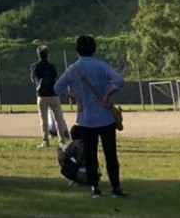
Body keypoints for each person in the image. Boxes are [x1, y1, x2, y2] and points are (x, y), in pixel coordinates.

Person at [54, 35, 127, 199]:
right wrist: (107, 95)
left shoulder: (73, 69)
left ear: (77, 50)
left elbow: (57, 88)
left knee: (91, 155)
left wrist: (75, 97)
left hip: (86, 120)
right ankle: (116, 187)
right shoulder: (101, 66)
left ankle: (95, 188)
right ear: (94, 49)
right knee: (111, 154)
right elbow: (119, 81)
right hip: (106, 118)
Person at [32, 45, 69, 148]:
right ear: (47, 54)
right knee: (58, 118)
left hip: (41, 96)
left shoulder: (35, 66)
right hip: (53, 95)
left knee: (43, 120)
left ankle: (45, 140)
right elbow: (56, 78)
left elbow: (33, 80)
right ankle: (62, 141)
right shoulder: (52, 66)